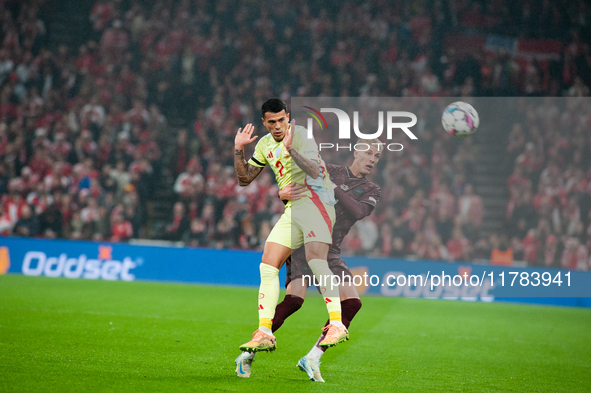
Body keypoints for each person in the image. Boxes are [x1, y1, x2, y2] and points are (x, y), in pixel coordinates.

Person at [236, 139, 382, 381]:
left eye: (376, 157)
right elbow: (294, 188)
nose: (372, 159)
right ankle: (250, 353)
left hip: (331, 249)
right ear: (356, 152)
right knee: (295, 300)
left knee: (353, 303)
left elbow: (358, 211)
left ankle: (312, 357)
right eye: (368, 153)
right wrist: (282, 193)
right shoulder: (329, 170)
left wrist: (331, 186)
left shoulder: (371, 189)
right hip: (305, 241)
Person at [233, 98, 346, 356]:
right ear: (264, 122)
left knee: (316, 259)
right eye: (271, 122)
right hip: (293, 208)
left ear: (288, 117)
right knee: (267, 263)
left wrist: (291, 149)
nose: (277, 126)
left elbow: (316, 171)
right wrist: (239, 149)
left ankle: (337, 324)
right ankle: (264, 332)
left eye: (281, 120)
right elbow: (244, 179)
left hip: (317, 201)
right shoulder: (262, 145)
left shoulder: (301, 136)